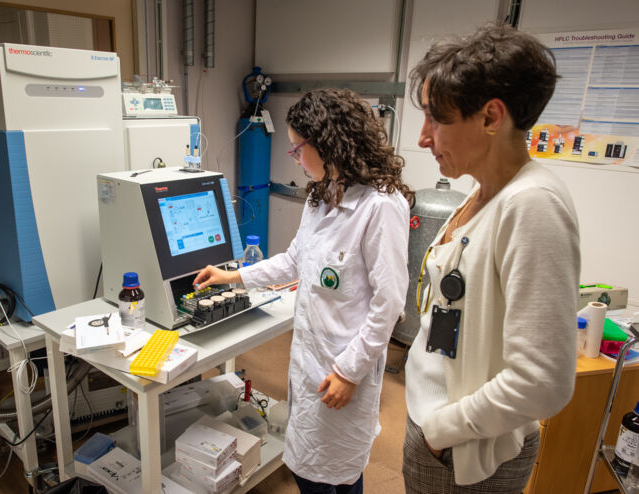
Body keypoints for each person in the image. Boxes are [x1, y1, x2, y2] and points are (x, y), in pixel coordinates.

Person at [193, 88, 413, 494]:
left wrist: (349, 372)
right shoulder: (321, 196)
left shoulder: (380, 206)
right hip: (309, 360)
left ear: (329, 143)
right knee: (317, 463)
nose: (293, 158)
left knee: (333, 468)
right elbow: (293, 261)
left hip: (345, 365)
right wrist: (232, 277)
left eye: (298, 149)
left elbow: (389, 304)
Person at [402, 23, 580, 493]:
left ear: (491, 117)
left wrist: (441, 433)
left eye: (436, 120)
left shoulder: (532, 205)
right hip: (437, 426)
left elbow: (543, 383)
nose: (423, 139)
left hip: (466, 449)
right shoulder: (485, 194)